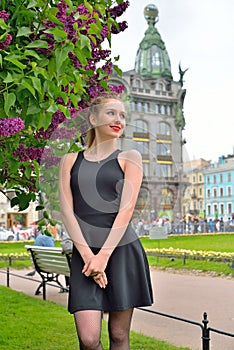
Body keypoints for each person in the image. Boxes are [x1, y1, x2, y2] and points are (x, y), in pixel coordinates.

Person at [59, 92, 153, 350]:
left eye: (122, 115)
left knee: (119, 336)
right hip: (85, 252)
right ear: (92, 118)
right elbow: (68, 212)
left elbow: (126, 211)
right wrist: (91, 257)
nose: (118, 120)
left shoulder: (130, 157)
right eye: (111, 113)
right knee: (89, 339)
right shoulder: (70, 161)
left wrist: (104, 257)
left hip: (121, 250)